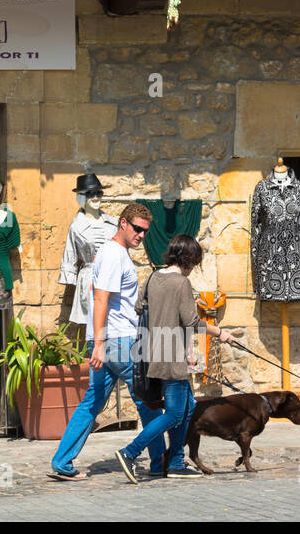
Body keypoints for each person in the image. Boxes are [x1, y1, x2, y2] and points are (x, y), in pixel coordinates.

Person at [50, 201, 165, 480]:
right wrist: (100, 343)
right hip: (119, 342)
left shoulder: (113, 253)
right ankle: (160, 461)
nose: (141, 235)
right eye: (137, 228)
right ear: (123, 223)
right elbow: (101, 298)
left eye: (145, 231)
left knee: (92, 402)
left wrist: (97, 342)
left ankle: (62, 462)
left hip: (107, 341)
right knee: (148, 401)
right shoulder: (114, 254)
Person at [113, 234, 233, 483]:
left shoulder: (151, 278)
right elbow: (191, 322)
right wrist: (220, 333)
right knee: (176, 414)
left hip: (150, 355)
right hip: (172, 357)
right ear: (189, 259)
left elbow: (138, 308)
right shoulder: (181, 283)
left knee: (188, 407)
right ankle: (130, 452)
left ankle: (176, 462)